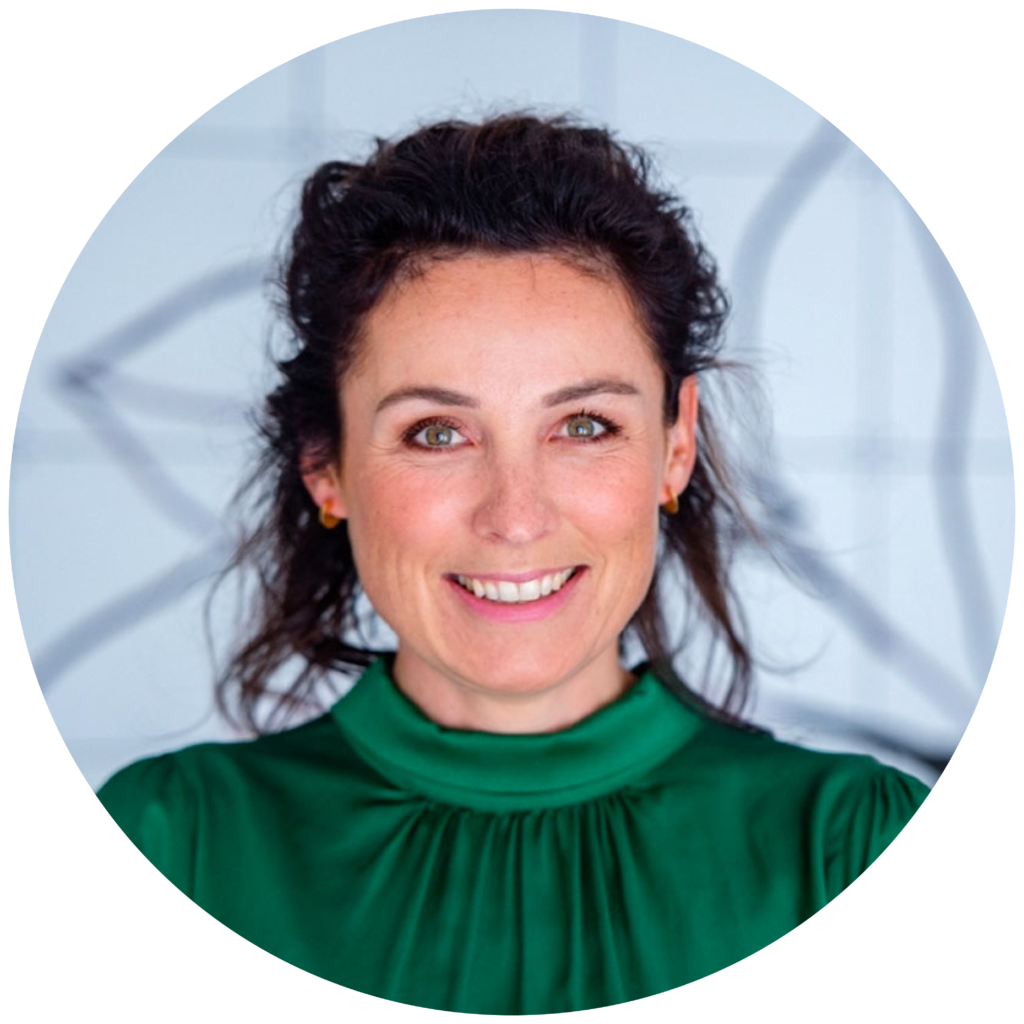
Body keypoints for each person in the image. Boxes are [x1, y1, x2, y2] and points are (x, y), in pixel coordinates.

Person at [96, 113, 931, 1012]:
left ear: (676, 444)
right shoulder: (174, 843)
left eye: (585, 425)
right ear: (324, 464)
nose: (516, 517)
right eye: (437, 433)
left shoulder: (851, 847)